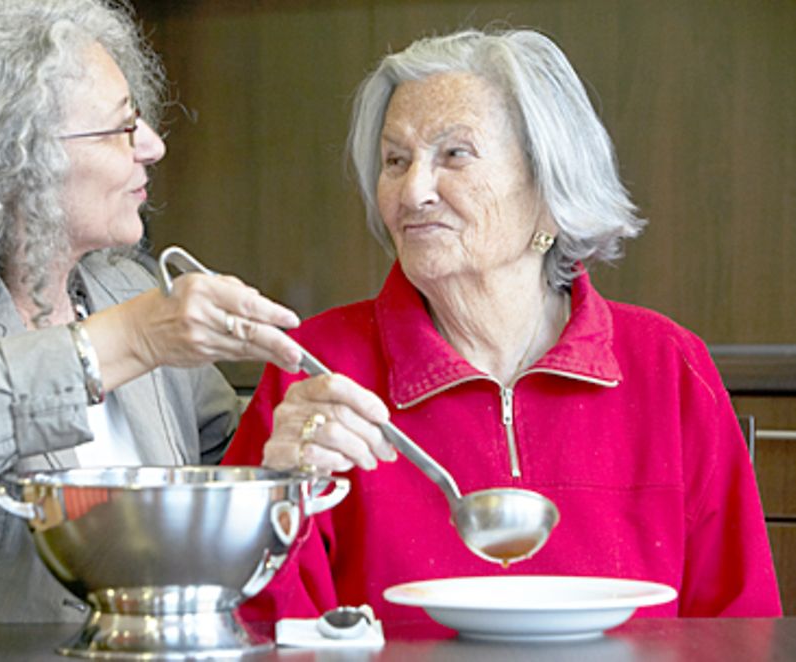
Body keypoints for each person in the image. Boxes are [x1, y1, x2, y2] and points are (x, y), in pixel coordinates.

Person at [223, 28, 782, 634]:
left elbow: (739, 632)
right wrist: (273, 498)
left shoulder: (669, 368)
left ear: (548, 185)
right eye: (395, 160)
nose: (413, 191)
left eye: (454, 155)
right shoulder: (318, 371)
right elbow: (252, 629)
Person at [0, 0, 304, 624]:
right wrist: (130, 341)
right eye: (122, 128)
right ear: (11, 160)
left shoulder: (125, 288)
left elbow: (213, 478)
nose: (153, 145)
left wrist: (281, 454)